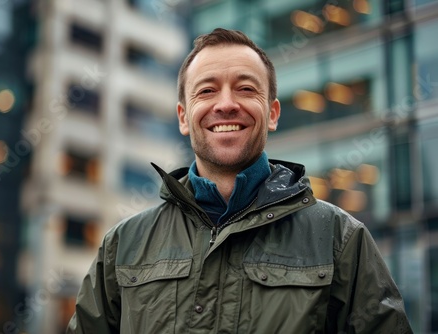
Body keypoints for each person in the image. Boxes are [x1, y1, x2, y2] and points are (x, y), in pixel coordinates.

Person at [67, 28, 412, 333]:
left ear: (272, 113)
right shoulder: (123, 245)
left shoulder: (341, 240)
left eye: (246, 89)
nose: (227, 104)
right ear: (184, 117)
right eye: (206, 91)